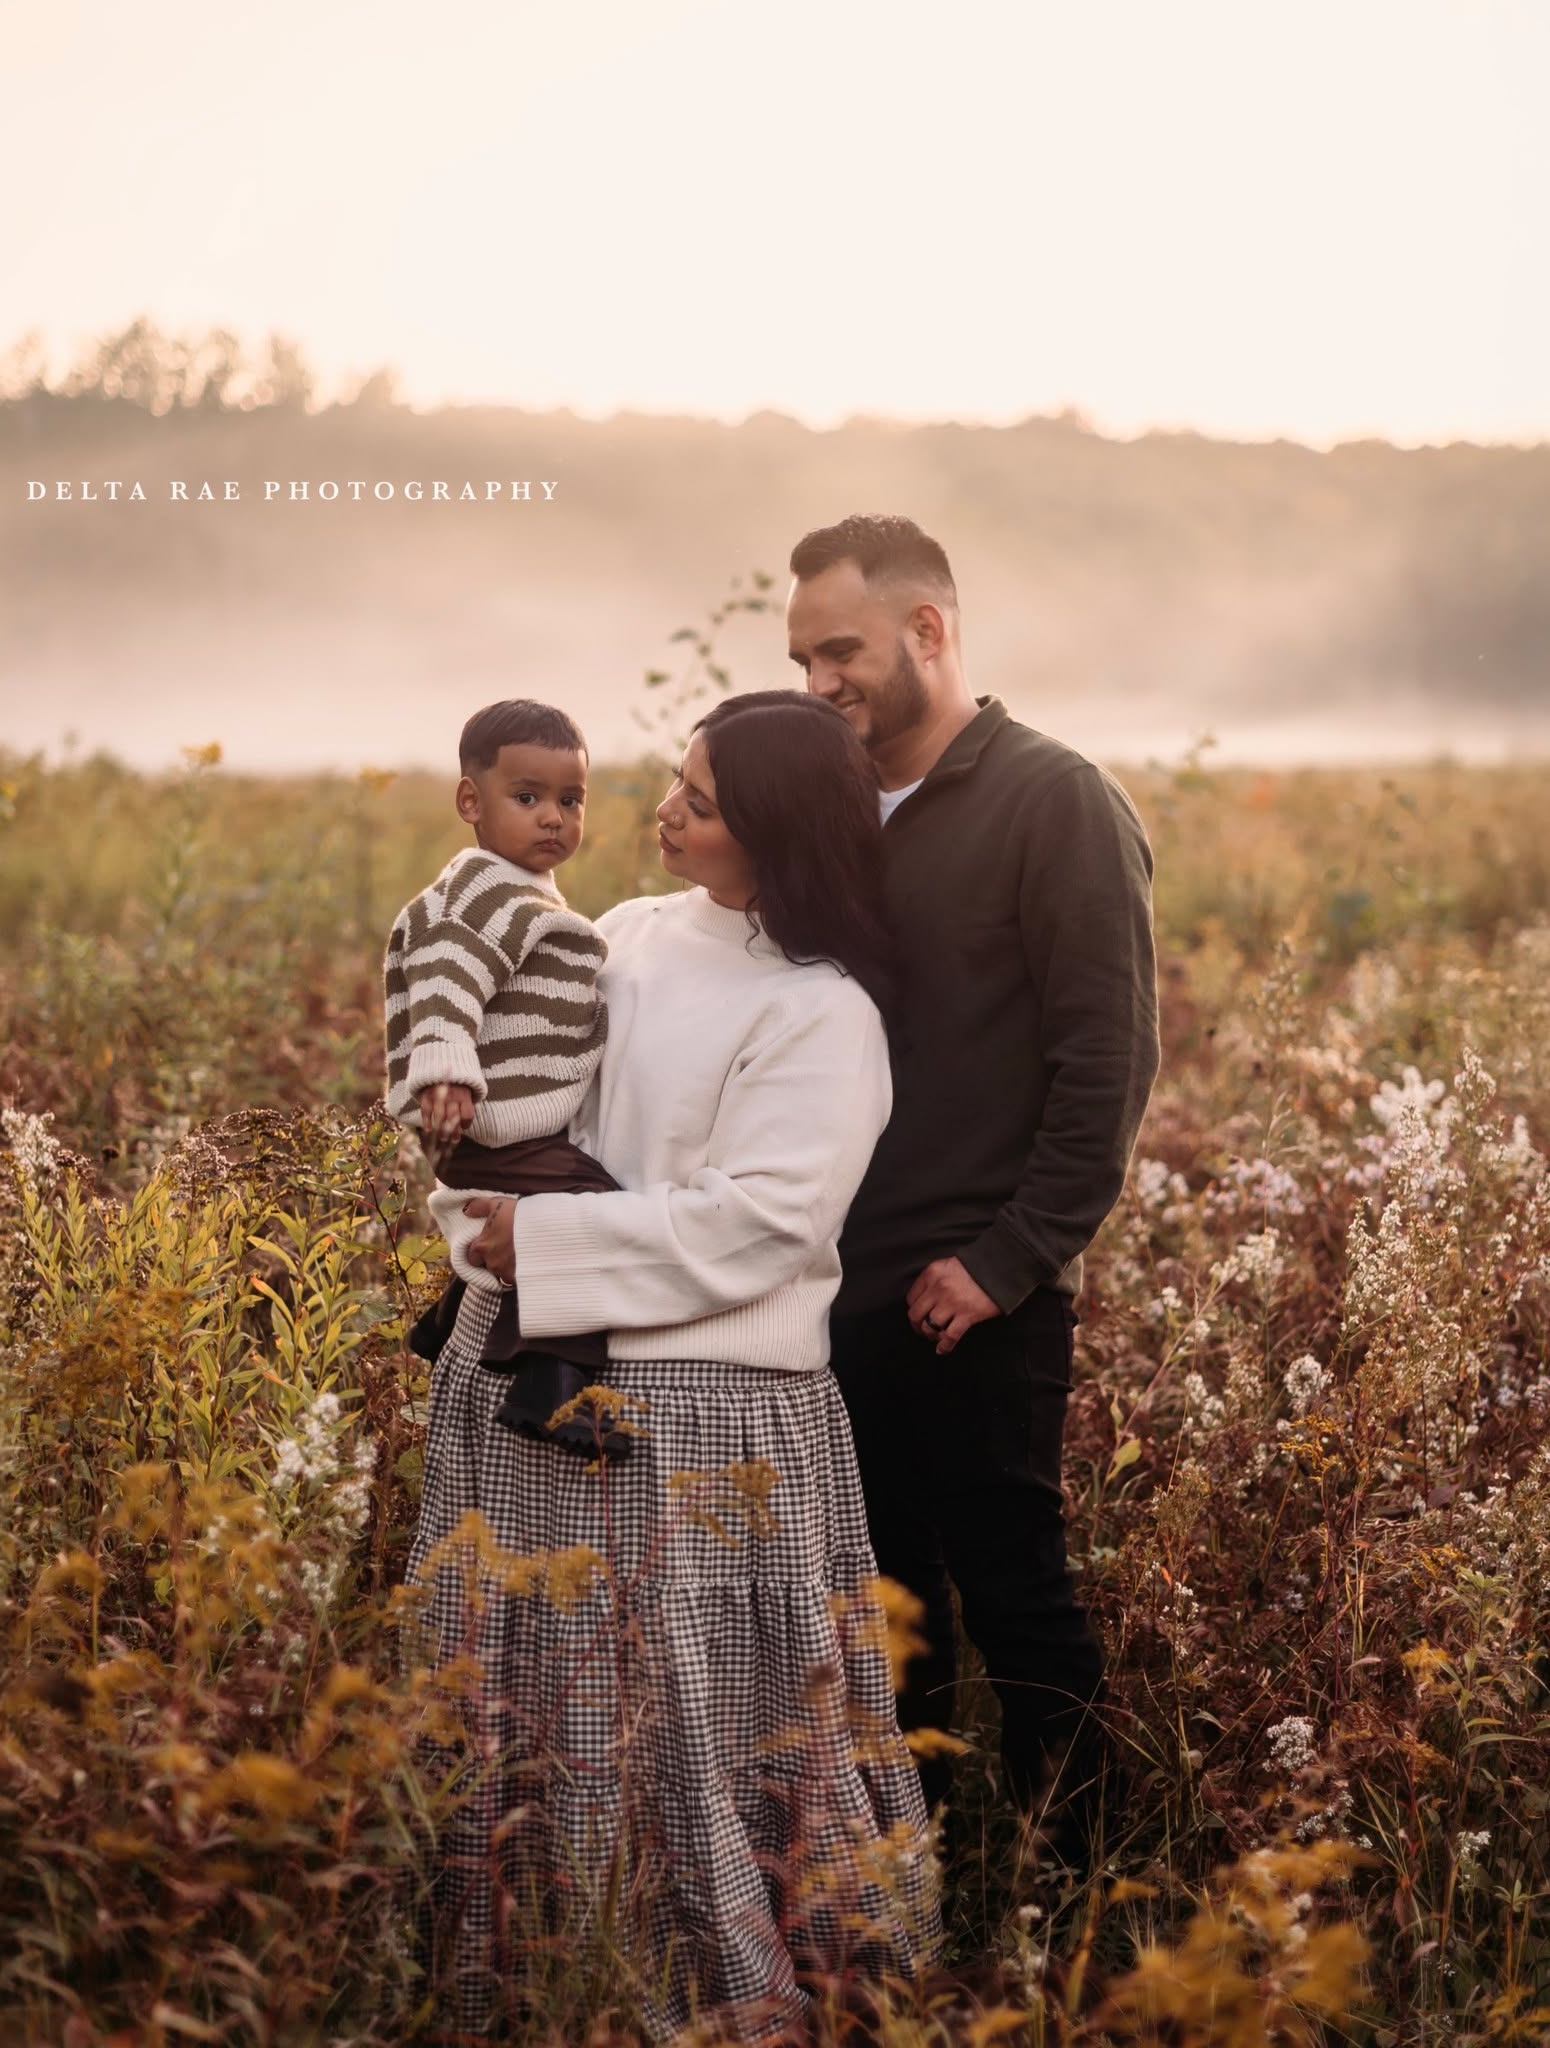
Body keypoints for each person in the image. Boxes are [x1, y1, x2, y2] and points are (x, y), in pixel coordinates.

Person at [401, 691, 938, 2040]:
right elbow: (513, 1102)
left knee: (686, 1721)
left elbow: (764, 1224)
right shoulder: (622, 935)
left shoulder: (821, 1013)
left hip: (698, 1414)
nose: (660, 813)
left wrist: (552, 1248)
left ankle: (716, 2002)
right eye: (675, 785)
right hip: (519, 1371)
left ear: (771, 829)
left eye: (697, 800)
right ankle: (523, 1987)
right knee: (528, 1692)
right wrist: (473, 1197)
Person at [784, 514, 1161, 1873]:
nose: (818, 681)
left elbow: (1105, 1066)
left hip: (974, 1294)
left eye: (840, 651)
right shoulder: (831, 813)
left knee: (1017, 1600)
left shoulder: (1054, 799)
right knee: (886, 1610)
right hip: (831, 1290)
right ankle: (915, 1890)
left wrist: (1003, 1264)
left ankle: (1099, 1894)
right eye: (799, 657)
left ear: (926, 630)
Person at [383, 697, 625, 1460]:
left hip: (484, 1121)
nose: (552, 817)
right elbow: (449, 979)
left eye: (570, 799)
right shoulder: (488, 898)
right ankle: (555, 1386)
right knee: (593, 1216)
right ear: (471, 801)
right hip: (481, 1116)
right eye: (528, 798)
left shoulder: (497, 886)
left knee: (518, 1220)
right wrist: (447, 1074)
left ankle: (456, 1313)